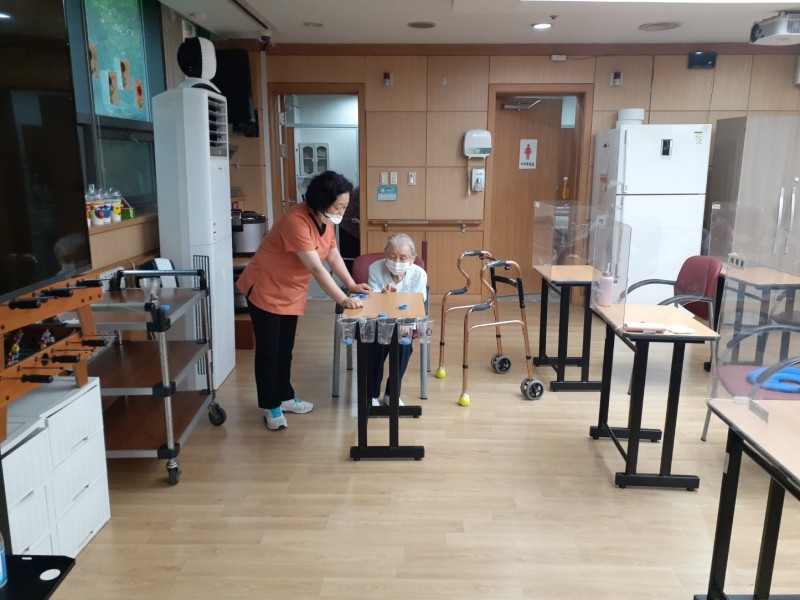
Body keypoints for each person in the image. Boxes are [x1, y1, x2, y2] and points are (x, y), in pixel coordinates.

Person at [236, 171, 371, 431]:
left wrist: (353, 284)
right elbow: (317, 268)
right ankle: (270, 405)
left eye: (345, 206)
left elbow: (333, 256)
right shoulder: (295, 221)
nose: (342, 211)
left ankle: (285, 396)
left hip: (290, 291)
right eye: (338, 206)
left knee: (285, 348)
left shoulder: (326, 221)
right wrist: (343, 298)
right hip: (265, 288)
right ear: (321, 202)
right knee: (269, 351)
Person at [367, 233, 427, 407]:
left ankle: (392, 394)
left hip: (405, 323)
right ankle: (371, 394)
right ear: (386, 255)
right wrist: (383, 297)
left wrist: (395, 299)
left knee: (404, 346)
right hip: (379, 322)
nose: (397, 261)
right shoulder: (375, 268)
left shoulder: (419, 274)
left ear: (412, 258)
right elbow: (372, 300)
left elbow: (417, 303)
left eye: (403, 257)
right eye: (392, 257)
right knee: (376, 346)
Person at [337, 186, 360, 275]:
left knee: (351, 258)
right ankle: (351, 279)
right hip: (349, 224)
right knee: (350, 258)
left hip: (352, 223)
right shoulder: (365, 189)